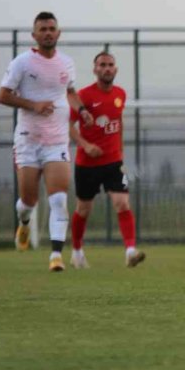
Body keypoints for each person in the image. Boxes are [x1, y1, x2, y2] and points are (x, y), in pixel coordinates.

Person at [0, 11, 93, 272]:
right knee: (28, 202)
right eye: (43, 29)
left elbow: (70, 91)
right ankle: (24, 223)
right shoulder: (22, 63)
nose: (48, 32)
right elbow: (2, 96)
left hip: (57, 141)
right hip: (28, 140)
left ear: (58, 33)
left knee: (59, 200)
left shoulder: (67, 63)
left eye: (52, 28)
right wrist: (33, 105)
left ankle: (55, 256)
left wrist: (81, 110)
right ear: (34, 35)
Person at [68, 51, 146, 268]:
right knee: (83, 209)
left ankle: (130, 251)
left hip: (113, 162)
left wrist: (120, 152)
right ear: (95, 70)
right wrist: (85, 145)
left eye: (110, 65)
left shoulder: (120, 94)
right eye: (102, 65)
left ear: (116, 69)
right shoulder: (83, 96)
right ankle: (77, 252)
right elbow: (67, 127)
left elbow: (118, 123)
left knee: (122, 203)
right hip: (87, 164)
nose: (107, 68)